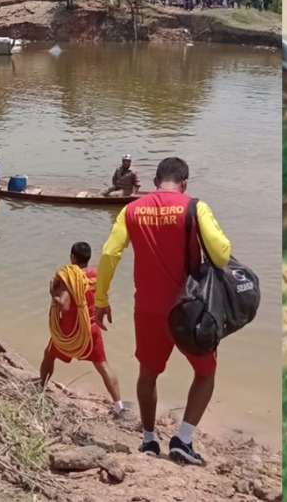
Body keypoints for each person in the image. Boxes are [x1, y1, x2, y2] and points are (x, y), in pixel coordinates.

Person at [95, 157, 231, 465]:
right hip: (190, 310)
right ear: (184, 183)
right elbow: (222, 256)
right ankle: (183, 439)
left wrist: (101, 299)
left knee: (148, 374)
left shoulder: (131, 210)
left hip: (147, 310)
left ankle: (148, 440)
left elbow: (108, 253)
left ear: (156, 181)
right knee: (206, 372)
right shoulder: (195, 207)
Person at [40, 241, 126, 418]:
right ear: (88, 258)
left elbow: (62, 305)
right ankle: (119, 406)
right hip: (92, 328)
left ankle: (41, 387)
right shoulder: (96, 274)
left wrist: (52, 292)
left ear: (72, 257)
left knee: (49, 355)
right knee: (103, 366)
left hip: (70, 330)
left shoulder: (69, 278)